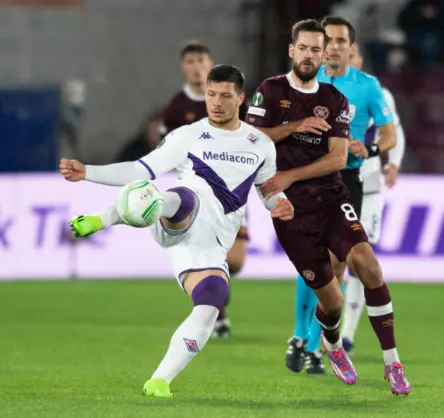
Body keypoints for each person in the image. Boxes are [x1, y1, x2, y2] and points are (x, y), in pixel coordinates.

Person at [59, 65, 294, 398]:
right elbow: (140, 169)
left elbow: (269, 191)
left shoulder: (261, 145)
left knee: (211, 302)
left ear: (241, 98)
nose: (216, 102)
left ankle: (160, 380)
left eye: (225, 96)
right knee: (182, 198)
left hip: (208, 247)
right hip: (177, 218)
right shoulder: (188, 135)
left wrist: (280, 204)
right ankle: (103, 218)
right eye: (211, 94)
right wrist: (88, 172)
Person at [246, 19, 411, 395]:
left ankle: (392, 363)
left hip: (333, 197)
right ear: (292, 51)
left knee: (368, 266)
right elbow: (251, 137)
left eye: (316, 49)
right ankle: (331, 343)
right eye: (302, 48)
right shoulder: (270, 91)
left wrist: (292, 173)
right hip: (289, 209)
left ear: (326, 54)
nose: (309, 55)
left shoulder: (337, 100)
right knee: (331, 302)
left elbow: (338, 159)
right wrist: (295, 126)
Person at [286, 15, 398, 375]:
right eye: (327, 40)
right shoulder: (303, 81)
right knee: (315, 265)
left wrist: (373, 150)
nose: (332, 47)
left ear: (352, 48)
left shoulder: (366, 86)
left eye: (339, 41)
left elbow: (389, 134)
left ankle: (318, 346)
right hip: (307, 180)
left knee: (337, 266)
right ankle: (301, 337)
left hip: (345, 179)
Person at [163, 41, 250, 338]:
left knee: (235, 261)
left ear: (210, 63)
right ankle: (216, 314)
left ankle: (218, 294)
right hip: (198, 193)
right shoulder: (176, 108)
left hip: (233, 190)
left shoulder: (230, 98)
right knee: (209, 254)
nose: (196, 66)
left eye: (201, 60)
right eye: (190, 61)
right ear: (182, 67)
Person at [341, 48, 407, 354]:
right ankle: (319, 335)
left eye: (352, 54)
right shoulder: (324, 91)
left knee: (361, 262)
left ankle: (348, 331)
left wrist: (393, 162)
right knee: (334, 260)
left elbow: (395, 132)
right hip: (337, 184)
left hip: (370, 187)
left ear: (359, 59)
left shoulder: (375, 91)